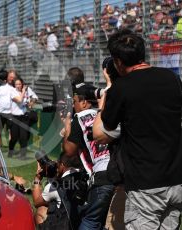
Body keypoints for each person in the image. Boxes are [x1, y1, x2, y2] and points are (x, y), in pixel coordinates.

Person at [93, 29, 182, 229]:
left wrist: (104, 97)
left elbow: (102, 131)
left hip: (145, 184)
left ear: (118, 61)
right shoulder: (172, 78)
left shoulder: (121, 87)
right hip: (177, 179)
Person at [62, 84, 115, 230]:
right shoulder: (109, 112)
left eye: (75, 102)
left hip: (102, 175)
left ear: (84, 102)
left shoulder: (80, 117)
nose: (74, 106)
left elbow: (69, 150)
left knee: (91, 220)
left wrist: (67, 128)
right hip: (120, 173)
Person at [32, 153, 84, 230]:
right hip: (83, 223)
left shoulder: (56, 186)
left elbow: (37, 202)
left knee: (41, 209)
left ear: (62, 165)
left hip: (65, 226)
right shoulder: (83, 177)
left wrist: (37, 179)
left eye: (58, 164)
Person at [0, 70, 26, 149]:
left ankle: (11, 148)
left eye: (13, 77)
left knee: (13, 132)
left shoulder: (16, 89)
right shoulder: (1, 87)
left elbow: (20, 100)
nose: (11, 78)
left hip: (11, 113)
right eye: (10, 77)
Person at [8, 77, 30, 159]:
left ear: (22, 84)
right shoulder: (12, 92)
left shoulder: (25, 93)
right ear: (14, 85)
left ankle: (23, 155)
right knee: (14, 137)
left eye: (19, 84)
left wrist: (28, 104)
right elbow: (20, 100)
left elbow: (26, 102)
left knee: (23, 137)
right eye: (16, 84)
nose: (18, 86)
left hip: (23, 117)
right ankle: (11, 151)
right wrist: (24, 91)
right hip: (15, 117)